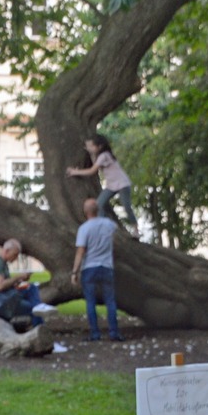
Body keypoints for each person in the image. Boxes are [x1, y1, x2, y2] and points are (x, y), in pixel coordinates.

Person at [65, 133, 139, 238]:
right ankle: (102, 226)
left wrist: (75, 172)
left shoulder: (105, 156)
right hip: (111, 185)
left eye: (91, 146)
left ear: (99, 146)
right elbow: (95, 162)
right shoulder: (100, 156)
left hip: (122, 183)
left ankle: (136, 230)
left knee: (126, 206)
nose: (89, 148)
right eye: (88, 146)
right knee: (99, 204)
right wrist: (91, 153)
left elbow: (92, 171)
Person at [70, 197, 122, 341]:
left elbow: (80, 251)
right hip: (106, 266)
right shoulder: (109, 224)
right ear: (97, 210)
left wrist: (75, 272)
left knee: (90, 302)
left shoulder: (84, 228)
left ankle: (95, 333)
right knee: (110, 301)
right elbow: (117, 231)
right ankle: (114, 332)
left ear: (85, 212)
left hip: (89, 268)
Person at [0, 238, 55, 327]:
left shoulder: (2, 264)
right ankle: (40, 328)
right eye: (15, 254)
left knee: (30, 288)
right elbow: (0, 286)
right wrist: (18, 276)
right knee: (32, 307)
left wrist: (19, 281)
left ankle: (38, 310)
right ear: (7, 251)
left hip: (3, 298)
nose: (16, 258)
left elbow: (5, 285)